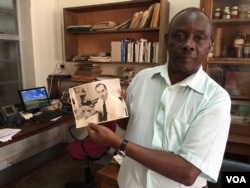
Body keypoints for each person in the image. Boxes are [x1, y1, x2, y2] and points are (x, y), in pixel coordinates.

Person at [87, 7, 231, 188]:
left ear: (209, 45)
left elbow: (187, 173)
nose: (188, 44)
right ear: (166, 40)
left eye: (199, 38)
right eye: (179, 36)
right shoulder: (142, 78)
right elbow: (130, 124)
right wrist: (117, 110)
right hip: (130, 183)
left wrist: (116, 142)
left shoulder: (216, 100)